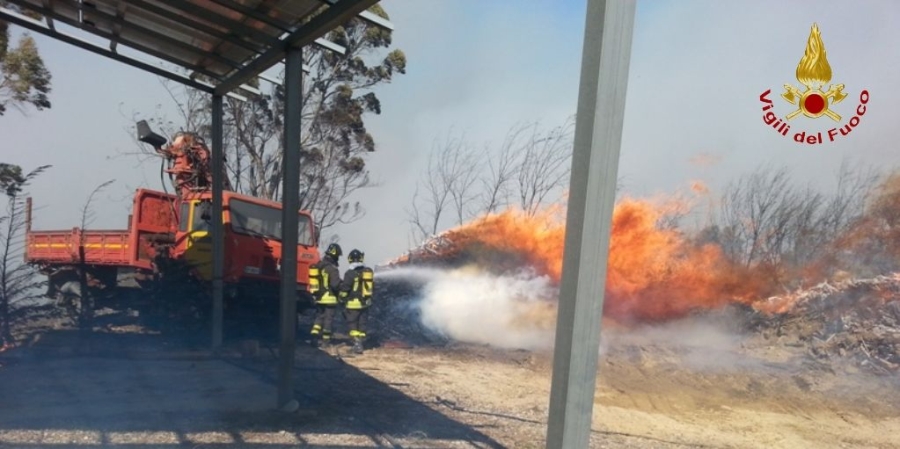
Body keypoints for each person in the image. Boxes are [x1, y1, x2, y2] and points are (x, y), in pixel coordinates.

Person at [340, 249, 374, 354]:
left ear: (350, 259)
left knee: (352, 324)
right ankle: (361, 343)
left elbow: (345, 288)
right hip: (365, 304)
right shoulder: (367, 272)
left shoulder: (349, 273)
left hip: (353, 305)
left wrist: (341, 298)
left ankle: (357, 344)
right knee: (362, 324)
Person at [309, 243, 342, 347]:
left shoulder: (319, 265)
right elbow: (335, 285)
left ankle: (313, 337)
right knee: (328, 320)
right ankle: (325, 341)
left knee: (319, 318)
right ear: (335, 255)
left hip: (319, 297)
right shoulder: (332, 269)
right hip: (330, 298)